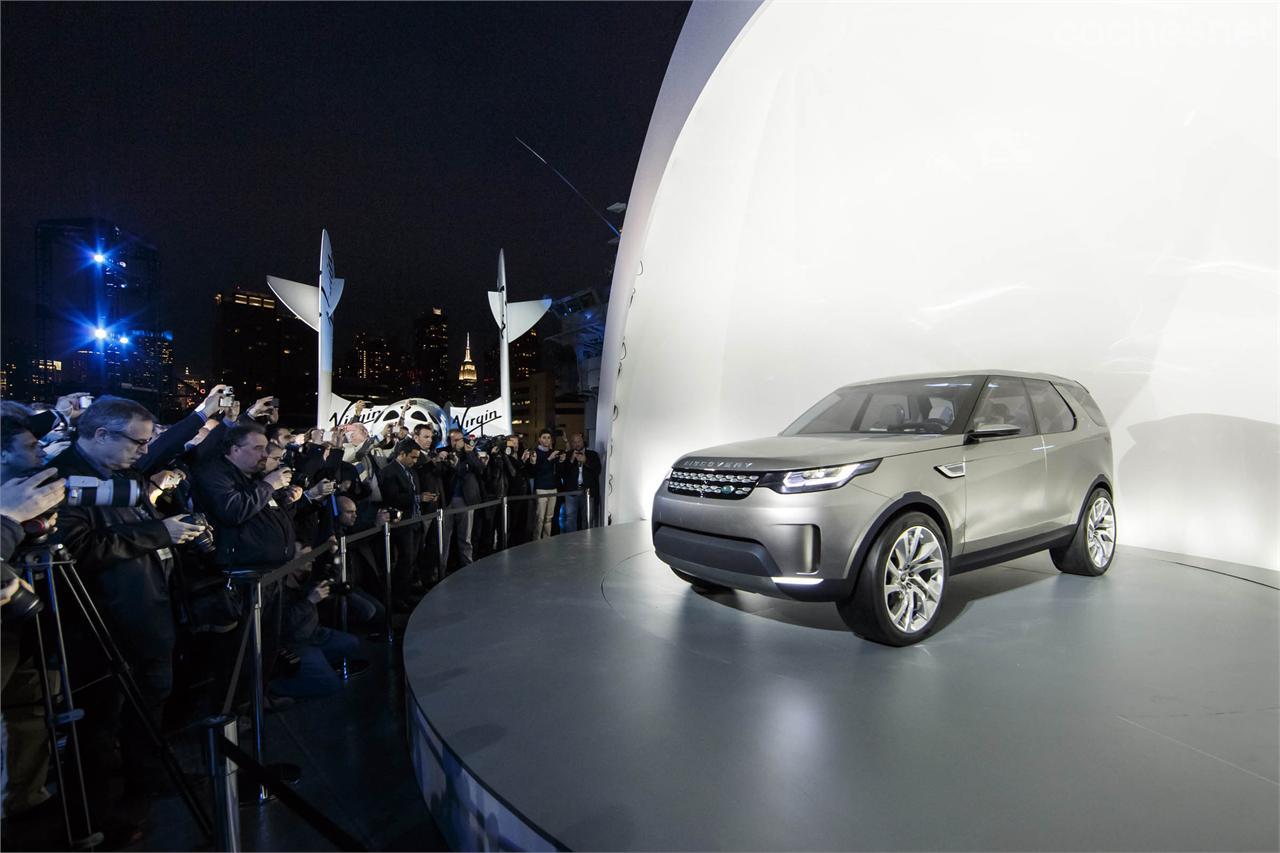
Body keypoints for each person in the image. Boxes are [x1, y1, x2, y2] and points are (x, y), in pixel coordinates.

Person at [43, 396, 204, 841]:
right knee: (97, 730)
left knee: (147, 714)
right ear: (100, 435)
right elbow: (78, 550)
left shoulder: (124, 475)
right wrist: (158, 532)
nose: (142, 450)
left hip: (149, 615)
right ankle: (97, 817)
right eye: (137, 442)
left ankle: (144, 786)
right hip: (102, 627)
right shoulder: (62, 482)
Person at [376, 439, 427, 611]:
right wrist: (418, 498)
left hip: (414, 522)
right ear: (402, 454)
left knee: (411, 561)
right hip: (401, 524)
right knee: (405, 561)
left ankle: (406, 594)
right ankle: (398, 599)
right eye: (412, 457)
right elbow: (391, 497)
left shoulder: (411, 472)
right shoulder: (388, 472)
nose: (415, 461)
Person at [438, 429, 485, 570]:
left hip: (466, 500)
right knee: (444, 539)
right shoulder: (443, 453)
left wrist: (469, 454)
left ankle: (467, 567)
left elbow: (480, 469)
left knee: (465, 538)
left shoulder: (470, 453)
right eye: (454, 439)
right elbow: (440, 473)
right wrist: (444, 459)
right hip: (447, 500)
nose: (458, 442)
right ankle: (442, 569)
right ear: (449, 440)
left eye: (460, 439)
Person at [558, 433, 601, 533]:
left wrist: (585, 461)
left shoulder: (592, 454)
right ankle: (571, 543)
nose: (577, 444)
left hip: (588, 492)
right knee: (570, 519)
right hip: (571, 492)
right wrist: (571, 460)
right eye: (574, 442)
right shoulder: (567, 455)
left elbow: (597, 470)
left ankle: (586, 543)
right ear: (572, 444)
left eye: (579, 441)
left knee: (587, 518)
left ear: (583, 442)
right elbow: (562, 473)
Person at [529, 429, 564, 540]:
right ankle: (536, 540)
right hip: (541, 488)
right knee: (540, 517)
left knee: (549, 517)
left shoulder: (553, 452)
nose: (546, 440)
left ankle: (546, 539)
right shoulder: (535, 452)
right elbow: (536, 471)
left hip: (553, 488)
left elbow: (557, 472)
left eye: (548, 438)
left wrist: (561, 461)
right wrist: (549, 459)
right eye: (544, 437)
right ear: (539, 439)